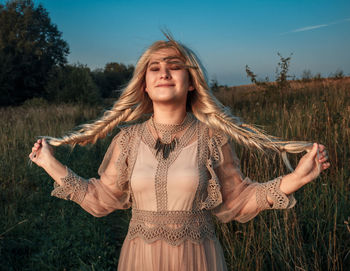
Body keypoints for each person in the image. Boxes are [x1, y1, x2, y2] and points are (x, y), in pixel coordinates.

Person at [29, 36, 330, 271]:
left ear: (190, 83)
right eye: (155, 68)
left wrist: (296, 179)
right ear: (144, 85)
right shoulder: (127, 140)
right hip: (139, 259)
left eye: (174, 66)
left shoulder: (213, 137)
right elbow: (101, 199)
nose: (164, 73)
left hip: (197, 258)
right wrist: (50, 164)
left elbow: (238, 200)